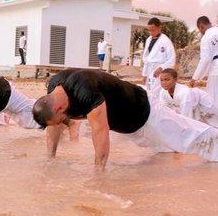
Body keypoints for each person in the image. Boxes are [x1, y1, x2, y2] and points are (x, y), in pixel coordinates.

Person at [32, 69, 218, 171]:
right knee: (164, 155)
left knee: (188, 137)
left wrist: (98, 174)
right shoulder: (54, 89)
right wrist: (51, 158)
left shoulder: (86, 92)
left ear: (57, 108)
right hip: (130, 127)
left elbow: (100, 132)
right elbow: (52, 126)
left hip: (147, 113)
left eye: (60, 120)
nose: (63, 123)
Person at [142, 17, 176, 98]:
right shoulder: (148, 40)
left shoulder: (165, 41)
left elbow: (172, 59)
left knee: (157, 95)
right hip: (149, 69)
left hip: (160, 72)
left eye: (153, 30)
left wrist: (161, 68)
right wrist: (144, 74)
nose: (151, 32)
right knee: (149, 93)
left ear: (159, 27)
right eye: (149, 30)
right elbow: (146, 59)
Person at [190, 16, 218, 103]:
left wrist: (195, 77)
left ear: (201, 26)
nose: (200, 32)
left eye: (200, 30)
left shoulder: (207, 36)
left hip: (216, 70)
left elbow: (205, 59)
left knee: (214, 98)